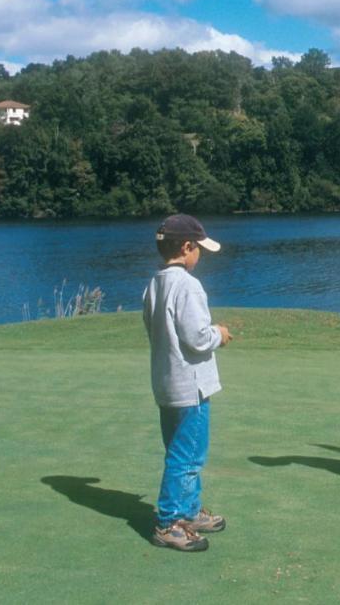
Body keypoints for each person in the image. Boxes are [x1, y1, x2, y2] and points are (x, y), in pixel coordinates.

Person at [142, 213, 234, 552]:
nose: (200, 256)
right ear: (186, 247)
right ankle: (168, 522)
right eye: (199, 250)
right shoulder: (188, 285)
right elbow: (197, 337)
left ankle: (189, 511)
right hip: (190, 387)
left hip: (167, 383)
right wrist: (219, 335)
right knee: (188, 456)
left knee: (181, 451)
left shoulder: (155, 283)